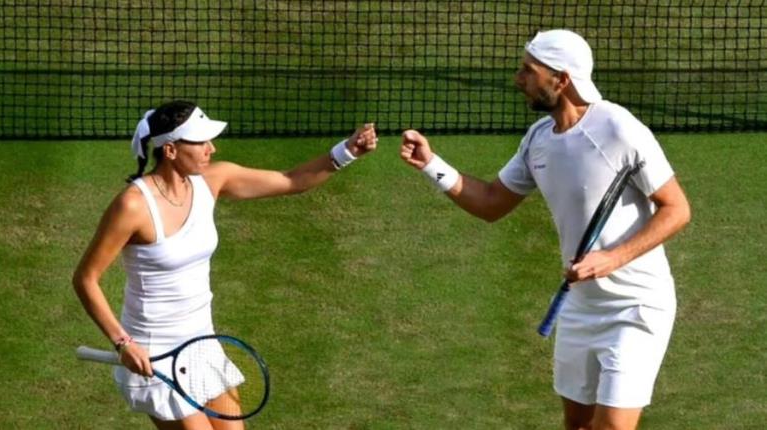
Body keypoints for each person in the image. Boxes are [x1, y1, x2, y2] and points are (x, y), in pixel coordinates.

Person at [400, 29, 690, 430]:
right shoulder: (538, 140)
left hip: (637, 308)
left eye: (528, 70)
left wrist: (611, 258)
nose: (519, 79)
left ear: (562, 79)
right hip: (580, 308)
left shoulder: (619, 129)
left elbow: (677, 209)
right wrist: (433, 165)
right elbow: (490, 203)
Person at [73, 100, 377, 429]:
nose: (211, 148)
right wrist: (123, 343)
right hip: (154, 352)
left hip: (202, 341)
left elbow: (291, 180)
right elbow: (86, 279)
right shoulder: (133, 206)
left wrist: (348, 152)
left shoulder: (214, 180)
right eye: (201, 142)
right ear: (172, 150)